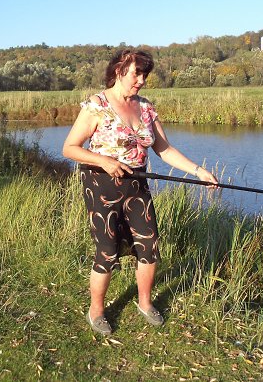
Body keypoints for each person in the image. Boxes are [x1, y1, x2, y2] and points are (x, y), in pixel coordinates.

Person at [62, 49, 218, 335]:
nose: (142, 80)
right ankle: (96, 311)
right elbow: (69, 148)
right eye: (137, 74)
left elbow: (164, 149)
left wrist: (199, 171)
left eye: (145, 75)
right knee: (107, 251)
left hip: (137, 186)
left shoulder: (145, 107)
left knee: (149, 245)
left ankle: (145, 303)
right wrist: (104, 161)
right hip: (102, 186)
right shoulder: (97, 105)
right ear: (119, 71)